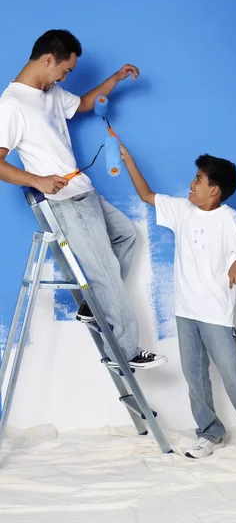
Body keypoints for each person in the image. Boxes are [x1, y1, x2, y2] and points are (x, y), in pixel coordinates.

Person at [0, 29, 166, 370]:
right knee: (103, 270)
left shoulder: (51, 91)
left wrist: (116, 78)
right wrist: (37, 180)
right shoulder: (12, 106)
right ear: (49, 60)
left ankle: (93, 305)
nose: (66, 76)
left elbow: (86, 104)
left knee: (126, 235)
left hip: (84, 190)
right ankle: (126, 352)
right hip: (65, 202)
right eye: (65, 70)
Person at [118, 144, 236, 459]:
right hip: (185, 310)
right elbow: (146, 196)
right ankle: (209, 433)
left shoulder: (227, 218)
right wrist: (129, 161)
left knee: (232, 371)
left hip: (215, 311)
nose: (191, 185)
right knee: (195, 376)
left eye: (198, 180)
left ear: (215, 190)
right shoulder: (181, 209)